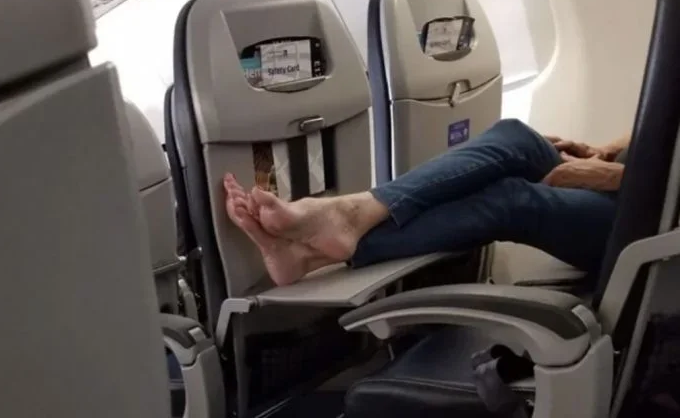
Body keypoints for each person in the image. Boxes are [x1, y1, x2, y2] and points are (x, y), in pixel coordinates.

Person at [223, 119, 630, 287]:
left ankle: (322, 246)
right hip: (634, 178)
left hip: (648, 219)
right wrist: (605, 152)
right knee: (516, 136)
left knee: (512, 199)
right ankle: (342, 222)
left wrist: (617, 176)